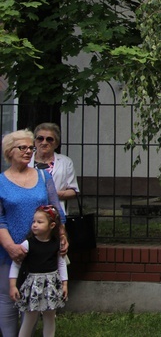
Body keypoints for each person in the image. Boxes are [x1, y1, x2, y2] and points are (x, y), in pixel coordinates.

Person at [0, 130, 68, 336]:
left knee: (36, 299)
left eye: (31, 147)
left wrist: (63, 236)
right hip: (8, 249)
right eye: (23, 147)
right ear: (10, 151)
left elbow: (56, 211)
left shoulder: (43, 176)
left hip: (42, 248)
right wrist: (10, 247)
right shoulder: (1, 181)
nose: (29, 151)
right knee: (8, 297)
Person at [10, 205, 68, 337]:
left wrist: (64, 284)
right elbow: (16, 265)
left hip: (51, 285)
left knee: (50, 317)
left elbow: (61, 263)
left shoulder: (57, 243)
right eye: (34, 221)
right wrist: (13, 285)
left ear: (52, 225)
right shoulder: (27, 244)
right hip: (33, 286)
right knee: (29, 318)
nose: (35, 225)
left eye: (39, 222)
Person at [31, 123, 80, 213]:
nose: (44, 142)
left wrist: (52, 194)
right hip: (29, 210)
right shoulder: (26, 160)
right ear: (34, 141)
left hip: (55, 212)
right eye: (40, 138)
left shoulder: (66, 162)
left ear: (56, 143)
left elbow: (73, 191)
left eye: (49, 139)